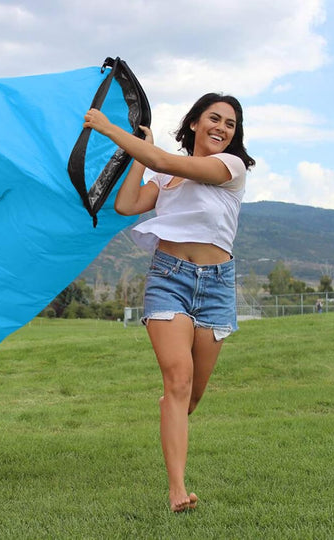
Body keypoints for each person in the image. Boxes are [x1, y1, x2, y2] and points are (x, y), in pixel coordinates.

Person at [83, 93, 255, 513]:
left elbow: (167, 161)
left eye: (230, 124)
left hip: (216, 286)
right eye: (214, 118)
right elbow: (126, 205)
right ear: (195, 122)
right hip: (169, 279)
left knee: (191, 397)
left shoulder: (229, 168)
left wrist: (111, 130)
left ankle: (172, 410)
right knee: (177, 380)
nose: (221, 128)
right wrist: (140, 152)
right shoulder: (163, 174)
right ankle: (177, 490)